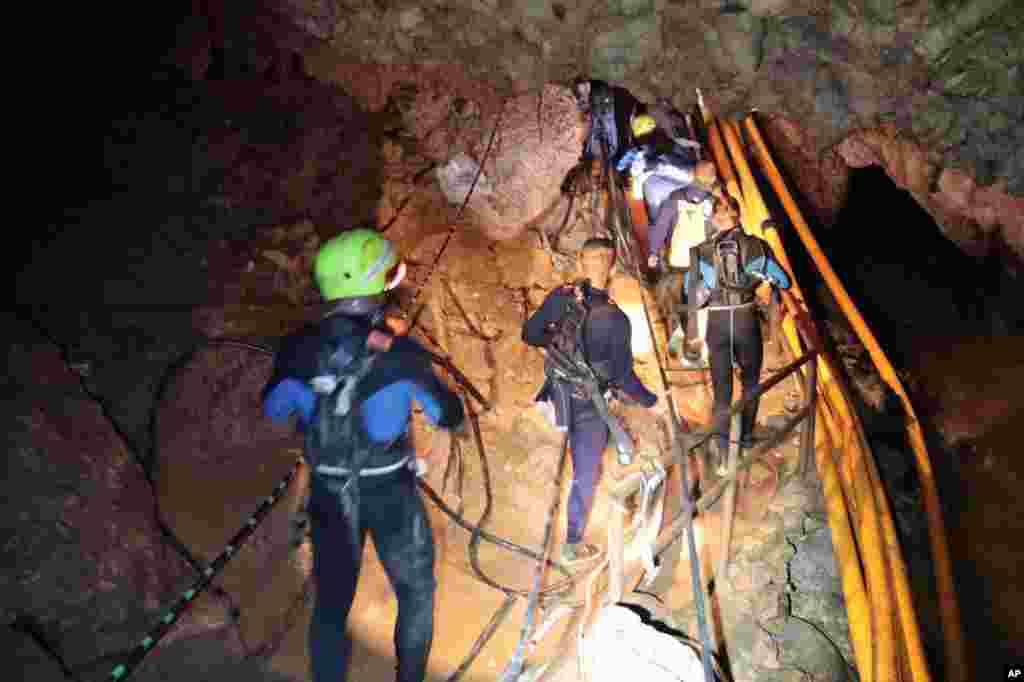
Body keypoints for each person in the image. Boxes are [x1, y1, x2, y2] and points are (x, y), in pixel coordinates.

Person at [261, 228, 465, 682]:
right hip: (390, 490)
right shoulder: (401, 353)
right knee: (415, 592)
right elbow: (447, 415)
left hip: (330, 491)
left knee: (331, 605)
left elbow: (274, 411)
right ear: (376, 283)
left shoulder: (297, 348)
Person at [522, 238, 659, 563]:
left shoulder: (561, 296)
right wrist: (652, 401)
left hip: (556, 392)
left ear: (581, 262)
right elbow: (625, 377)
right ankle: (572, 541)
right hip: (587, 403)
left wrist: (553, 344)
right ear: (612, 267)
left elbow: (529, 333)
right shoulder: (616, 318)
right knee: (586, 471)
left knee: (589, 439)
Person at [682, 195, 791, 466]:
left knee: (722, 392)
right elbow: (784, 281)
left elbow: (689, 289)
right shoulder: (757, 246)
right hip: (745, 320)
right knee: (750, 384)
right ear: (738, 215)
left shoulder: (700, 251)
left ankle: (721, 454)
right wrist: (762, 280)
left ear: (714, 218)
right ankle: (743, 442)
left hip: (717, 324)